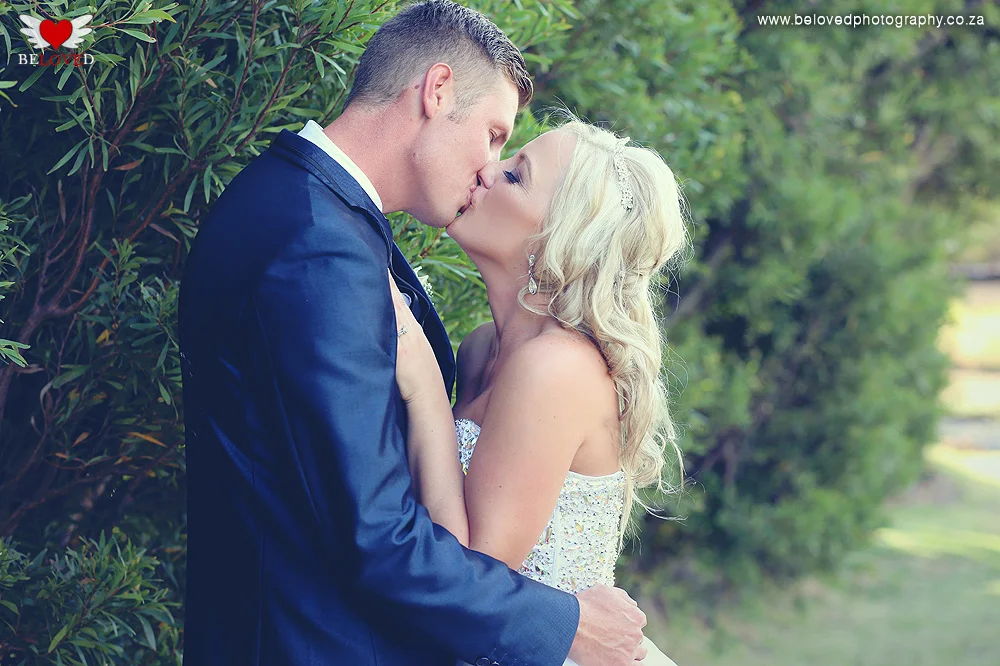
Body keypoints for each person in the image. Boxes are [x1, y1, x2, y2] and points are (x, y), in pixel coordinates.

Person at [178, 2, 647, 665]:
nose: (489, 169)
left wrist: (428, 392)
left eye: (512, 164)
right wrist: (565, 626)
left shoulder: (305, 209)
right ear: (437, 91)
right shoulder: (321, 246)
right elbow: (378, 537)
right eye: (494, 136)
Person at [389, 117, 688, 666]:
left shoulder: (556, 369)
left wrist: (426, 391)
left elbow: (471, 577)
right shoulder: (481, 349)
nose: (487, 169)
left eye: (515, 175)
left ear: (560, 238)